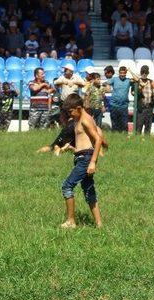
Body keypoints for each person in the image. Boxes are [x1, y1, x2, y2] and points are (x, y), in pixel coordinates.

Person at [60, 93, 105, 229]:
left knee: (67, 186)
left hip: (85, 159)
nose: (70, 115)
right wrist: (72, 148)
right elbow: (85, 142)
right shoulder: (81, 119)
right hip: (83, 157)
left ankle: (71, 221)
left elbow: (98, 139)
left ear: (78, 108)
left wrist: (92, 162)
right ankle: (99, 224)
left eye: (71, 112)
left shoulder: (85, 119)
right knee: (88, 189)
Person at [104, 66, 132, 133]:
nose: (122, 74)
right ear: (119, 73)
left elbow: (137, 80)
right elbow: (105, 83)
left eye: (124, 73)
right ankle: (115, 136)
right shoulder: (114, 79)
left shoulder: (128, 80)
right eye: (121, 73)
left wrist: (130, 71)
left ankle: (124, 138)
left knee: (124, 124)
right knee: (115, 124)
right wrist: (108, 86)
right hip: (114, 105)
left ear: (126, 73)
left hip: (124, 105)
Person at [131, 65, 154, 136]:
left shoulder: (151, 81)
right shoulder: (136, 82)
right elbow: (133, 93)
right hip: (141, 107)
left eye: (146, 72)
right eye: (143, 72)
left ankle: (146, 141)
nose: (144, 74)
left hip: (149, 107)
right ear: (140, 72)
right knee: (139, 125)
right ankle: (137, 140)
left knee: (148, 126)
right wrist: (139, 89)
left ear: (148, 73)